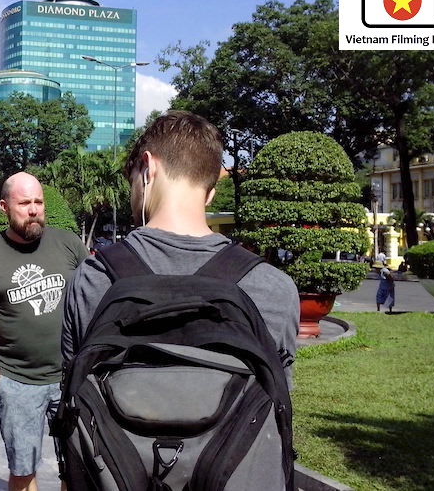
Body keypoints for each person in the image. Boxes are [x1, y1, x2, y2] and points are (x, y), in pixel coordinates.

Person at [62, 111, 299, 384]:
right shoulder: (275, 287)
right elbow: (278, 396)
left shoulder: (92, 278)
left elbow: (72, 386)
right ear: (210, 195)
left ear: (147, 168)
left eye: (132, 181)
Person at [0, 172, 89, 491]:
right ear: (4, 207)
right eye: (25, 203)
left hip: (71, 380)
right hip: (18, 384)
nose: (33, 210)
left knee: (78, 471)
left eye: (38, 202)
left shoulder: (69, 244)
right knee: (22, 472)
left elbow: (95, 298)